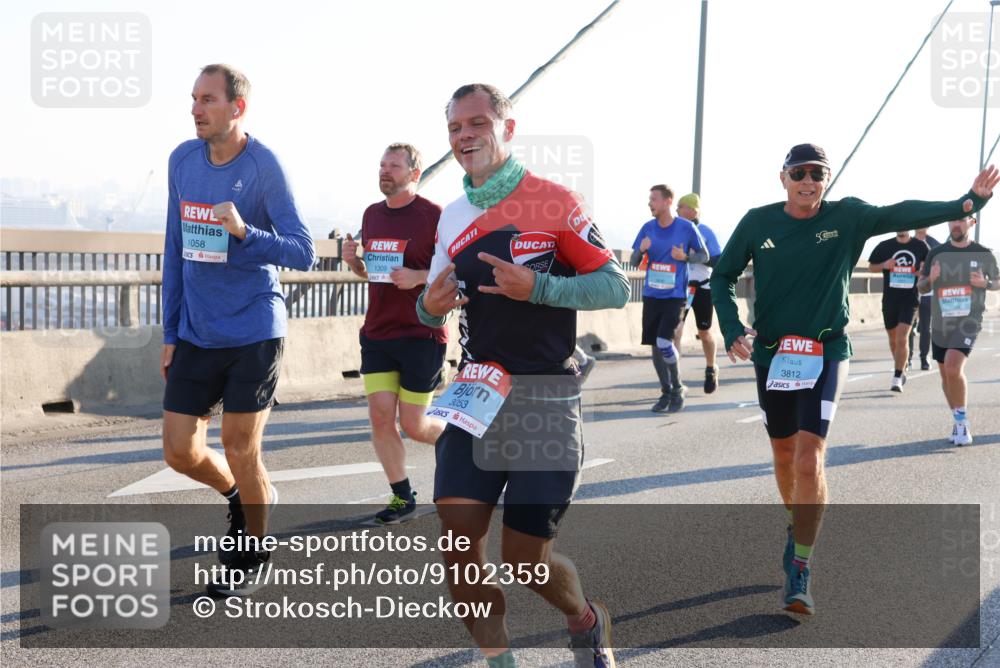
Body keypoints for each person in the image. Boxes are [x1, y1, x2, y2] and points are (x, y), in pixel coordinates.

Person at [712, 142, 997, 616]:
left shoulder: (847, 217)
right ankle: (794, 525)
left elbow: (902, 210)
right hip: (773, 355)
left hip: (826, 351)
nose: (809, 182)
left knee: (810, 460)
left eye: (818, 174)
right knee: (783, 455)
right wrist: (731, 328)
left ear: (827, 180)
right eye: (799, 173)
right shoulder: (757, 223)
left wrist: (967, 204)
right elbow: (720, 278)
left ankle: (801, 566)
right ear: (782, 177)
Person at [418, 83, 629, 668]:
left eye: (477, 123)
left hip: (545, 396)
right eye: (456, 128)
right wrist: (430, 307)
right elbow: (430, 303)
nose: (466, 136)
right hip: (476, 395)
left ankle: (585, 619)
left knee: (527, 561)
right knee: (458, 548)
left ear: (507, 129)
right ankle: (501, 662)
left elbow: (615, 285)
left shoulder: (556, 200)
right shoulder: (451, 218)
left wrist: (538, 286)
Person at [160, 64, 316, 595]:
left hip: (254, 328)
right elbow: (174, 249)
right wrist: (169, 332)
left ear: (237, 107)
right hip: (197, 332)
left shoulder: (264, 165)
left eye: (207, 100)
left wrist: (245, 233)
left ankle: (253, 549)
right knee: (179, 450)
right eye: (194, 99)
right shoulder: (182, 160)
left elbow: (304, 250)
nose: (196, 109)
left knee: (239, 445)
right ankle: (240, 497)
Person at [341, 143, 447, 524]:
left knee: (415, 425)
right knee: (381, 417)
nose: (385, 171)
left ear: (414, 174)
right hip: (379, 333)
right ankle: (403, 496)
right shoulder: (372, 214)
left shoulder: (435, 216)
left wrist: (420, 277)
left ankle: (468, 447)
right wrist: (355, 262)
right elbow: (373, 273)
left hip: (422, 333)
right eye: (382, 165)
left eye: (395, 166)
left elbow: (456, 270)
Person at [917, 216, 999, 446]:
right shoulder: (936, 253)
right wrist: (931, 279)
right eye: (952, 221)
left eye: (961, 221)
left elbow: (998, 280)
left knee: (953, 366)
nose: (956, 225)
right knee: (945, 375)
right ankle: (957, 417)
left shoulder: (983, 253)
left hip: (969, 319)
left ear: (971, 223)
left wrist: (986, 284)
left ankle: (962, 424)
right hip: (942, 320)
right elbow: (921, 286)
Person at [630, 185, 708, 412]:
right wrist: (642, 251)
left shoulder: (685, 228)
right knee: (655, 347)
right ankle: (666, 392)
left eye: (653, 199)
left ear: (667, 201)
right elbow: (634, 261)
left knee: (665, 342)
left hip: (675, 297)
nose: (650, 203)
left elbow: (703, 255)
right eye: (649, 198)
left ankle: (678, 387)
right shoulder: (648, 228)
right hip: (651, 295)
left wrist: (684, 257)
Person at [866, 229, 929, 391]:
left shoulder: (920, 247)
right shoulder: (884, 246)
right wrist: (884, 265)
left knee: (902, 337)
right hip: (890, 299)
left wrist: (922, 272)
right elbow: (871, 267)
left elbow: (930, 269)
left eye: (905, 225)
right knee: (893, 339)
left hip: (910, 300)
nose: (902, 228)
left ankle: (897, 376)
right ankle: (901, 365)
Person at [675, 192, 724, 393]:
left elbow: (717, 260)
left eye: (680, 207)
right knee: (675, 333)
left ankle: (711, 368)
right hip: (681, 289)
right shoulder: (675, 231)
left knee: (704, 333)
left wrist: (692, 257)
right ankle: (674, 380)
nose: (677, 211)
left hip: (703, 286)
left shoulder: (705, 232)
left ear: (692, 210)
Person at [908, 228, 941, 370]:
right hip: (909, 291)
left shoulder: (935, 244)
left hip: (928, 292)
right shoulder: (908, 243)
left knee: (926, 328)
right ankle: (907, 358)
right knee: (908, 327)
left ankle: (924, 358)